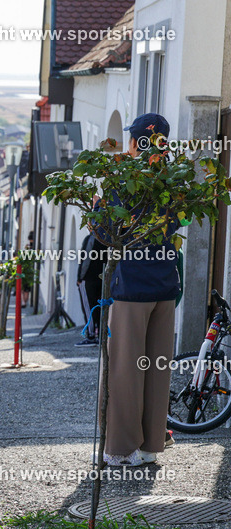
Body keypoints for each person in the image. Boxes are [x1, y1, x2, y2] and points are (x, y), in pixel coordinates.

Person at [95, 112, 179, 467]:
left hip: (130, 289)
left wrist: (98, 209)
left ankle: (121, 449)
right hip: (165, 286)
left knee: (126, 371)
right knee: (158, 369)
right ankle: (150, 448)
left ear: (134, 143)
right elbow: (177, 226)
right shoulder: (176, 182)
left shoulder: (120, 182)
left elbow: (106, 235)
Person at [76, 231, 104, 346]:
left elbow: (85, 259)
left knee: (89, 308)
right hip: (103, 279)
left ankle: (91, 335)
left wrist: (80, 277)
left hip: (88, 279)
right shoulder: (109, 240)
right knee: (101, 307)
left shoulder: (91, 238)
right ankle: (101, 335)